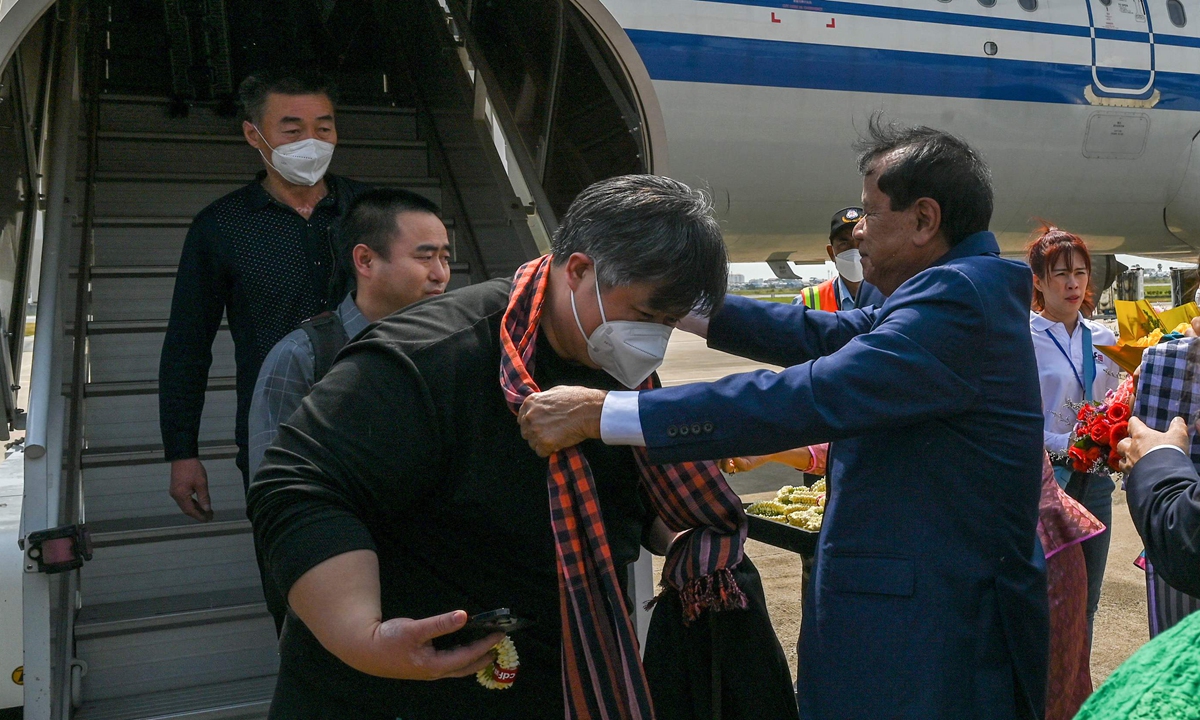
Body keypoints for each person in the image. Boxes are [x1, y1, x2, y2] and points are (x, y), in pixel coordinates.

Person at [517, 120, 1050, 720]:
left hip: (934, 631)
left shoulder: (958, 304)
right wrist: (680, 299)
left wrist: (606, 413)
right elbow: (825, 334)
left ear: (925, 220)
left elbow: (812, 394)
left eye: (871, 213)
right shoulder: (951, 292)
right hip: (922, 617)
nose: (858, 230)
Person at [246, 175, 796, 719]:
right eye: (646, 317)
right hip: (394, 685)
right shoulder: (428, 354)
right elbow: (299, 482)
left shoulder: (615, 369)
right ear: (580, 270)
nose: (654, 341)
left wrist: (692, 541)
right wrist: (358, 636)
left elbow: (632, 497)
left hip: (551, 678)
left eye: (670, 324)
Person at [161, 68, 370, 517]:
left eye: (324, 128)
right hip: (280, 432)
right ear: (253, 135)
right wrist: (182, 451)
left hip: (380, 417)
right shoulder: (221, 227)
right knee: (293, 568)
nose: (311, 141)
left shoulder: (375, 213)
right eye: (292, 130)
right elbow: (187, 344)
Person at [247, 188, 450, 483]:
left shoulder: (453, 341)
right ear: (365, 260)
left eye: (444, 258)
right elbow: (275, 487)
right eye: (426, 257)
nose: (440, 274)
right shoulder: (302, 356)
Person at [1026, 225, 1119, 643]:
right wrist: (1066, 444)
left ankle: (1075, 691)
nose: (1073, 284)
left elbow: (1119, 399)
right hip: (1048, 481)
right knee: (1044, 594)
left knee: (1087, 598)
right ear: (1038, 282)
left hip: (1095, 482)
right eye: (1061, 274)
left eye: (1080, 273)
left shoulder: (1104, 338)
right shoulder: (1023, 338)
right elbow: (1019, 415)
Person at [792, 207, 885, 310]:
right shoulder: (807, 302)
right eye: (844, 243)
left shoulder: (893, 296)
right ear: (831, 253)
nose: (854, 250)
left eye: (861, 241)